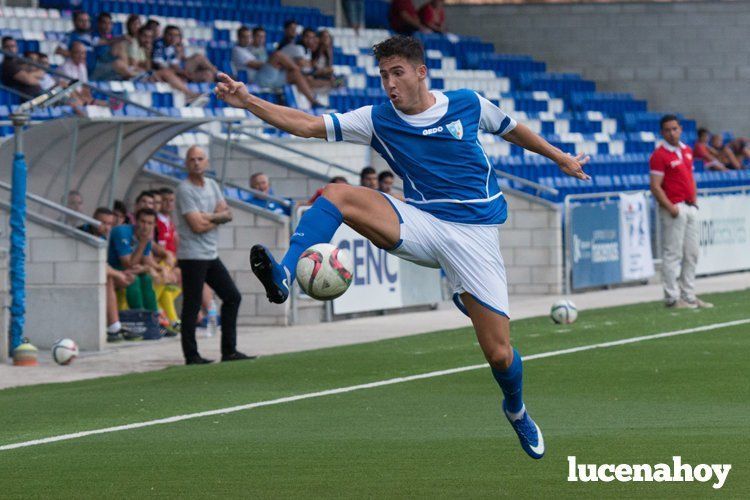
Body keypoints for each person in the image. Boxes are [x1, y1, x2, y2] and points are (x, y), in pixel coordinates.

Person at [215, 35, 592, 459]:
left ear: (420, 71)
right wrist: (248, 101)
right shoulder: (377, 118)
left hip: (475, 236)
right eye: (383, 75)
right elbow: (306, 125)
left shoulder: (468, 103)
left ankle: (517, 409)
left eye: (397, 73)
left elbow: (512, 129)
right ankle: (284, 275)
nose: (389, 84)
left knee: (499, 354)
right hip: (423, 222)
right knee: (337, 194)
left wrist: (559, 156)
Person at [175, 145, 253, 365]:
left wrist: (208, 217)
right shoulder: (184, 190)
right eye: (192, 159)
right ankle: (191, 355)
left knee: (232, 296)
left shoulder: (212, 185)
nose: (197, 162)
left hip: (210, 253)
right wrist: (215, 217)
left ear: (207, 162)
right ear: (186, 163)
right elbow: (195, 226)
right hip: (192, 255)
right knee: (191, 304)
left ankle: (229, 350)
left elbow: (228, 215)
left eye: (200, 158)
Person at [649, 115, 713, 310]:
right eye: (667, 130)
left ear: (680, 129)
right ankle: (672, 297)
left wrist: (694, 199)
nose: (672, 133)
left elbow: (690, 176)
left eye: (674, 129)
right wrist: (671, 208)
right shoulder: (659, 155)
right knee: (672, 254)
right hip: (674, 209)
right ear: (662, 132)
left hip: (689, 206)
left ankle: (688, 294)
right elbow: (655, 186)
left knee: (692, 253)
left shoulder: (686, 150)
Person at [80, 207, 141, 342]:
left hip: (91, 274)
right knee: (109, 278)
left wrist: (122, 274)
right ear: (92, 220)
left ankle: (141, 321)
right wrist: (119, 274)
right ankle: (114, 327)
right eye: (103, 223)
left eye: (110, 224)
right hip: (77, 275)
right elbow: (96, 265)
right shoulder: (82, 233)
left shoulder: (103, 236)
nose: (107, 227)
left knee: (132, 278)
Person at [231, 26, 322, 107]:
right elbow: (256, 65)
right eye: (244, 37)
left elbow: (265, 64)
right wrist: (278, 63)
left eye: (249, 37)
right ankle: (301, 69)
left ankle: (313, 101)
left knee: (295, 73)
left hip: (267, 77)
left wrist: (277, 64)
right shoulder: (238, 50)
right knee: (277, 55)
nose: (247, 39)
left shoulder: (258, 49)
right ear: (238, 37)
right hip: (256, 80)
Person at [108, 208, 160, 314]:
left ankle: (154, 318)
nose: (146, 226)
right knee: (133, 279)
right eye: (143, 221)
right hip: (109, 268)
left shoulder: (146, 237)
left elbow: (145, 263)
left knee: (146, 278)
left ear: (154, 225)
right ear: (135, 221)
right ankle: (139, 316)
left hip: (127, 270)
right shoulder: (121, 231)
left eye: (150, 223)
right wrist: (142, 243)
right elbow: (127, 264)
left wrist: (149, 268)